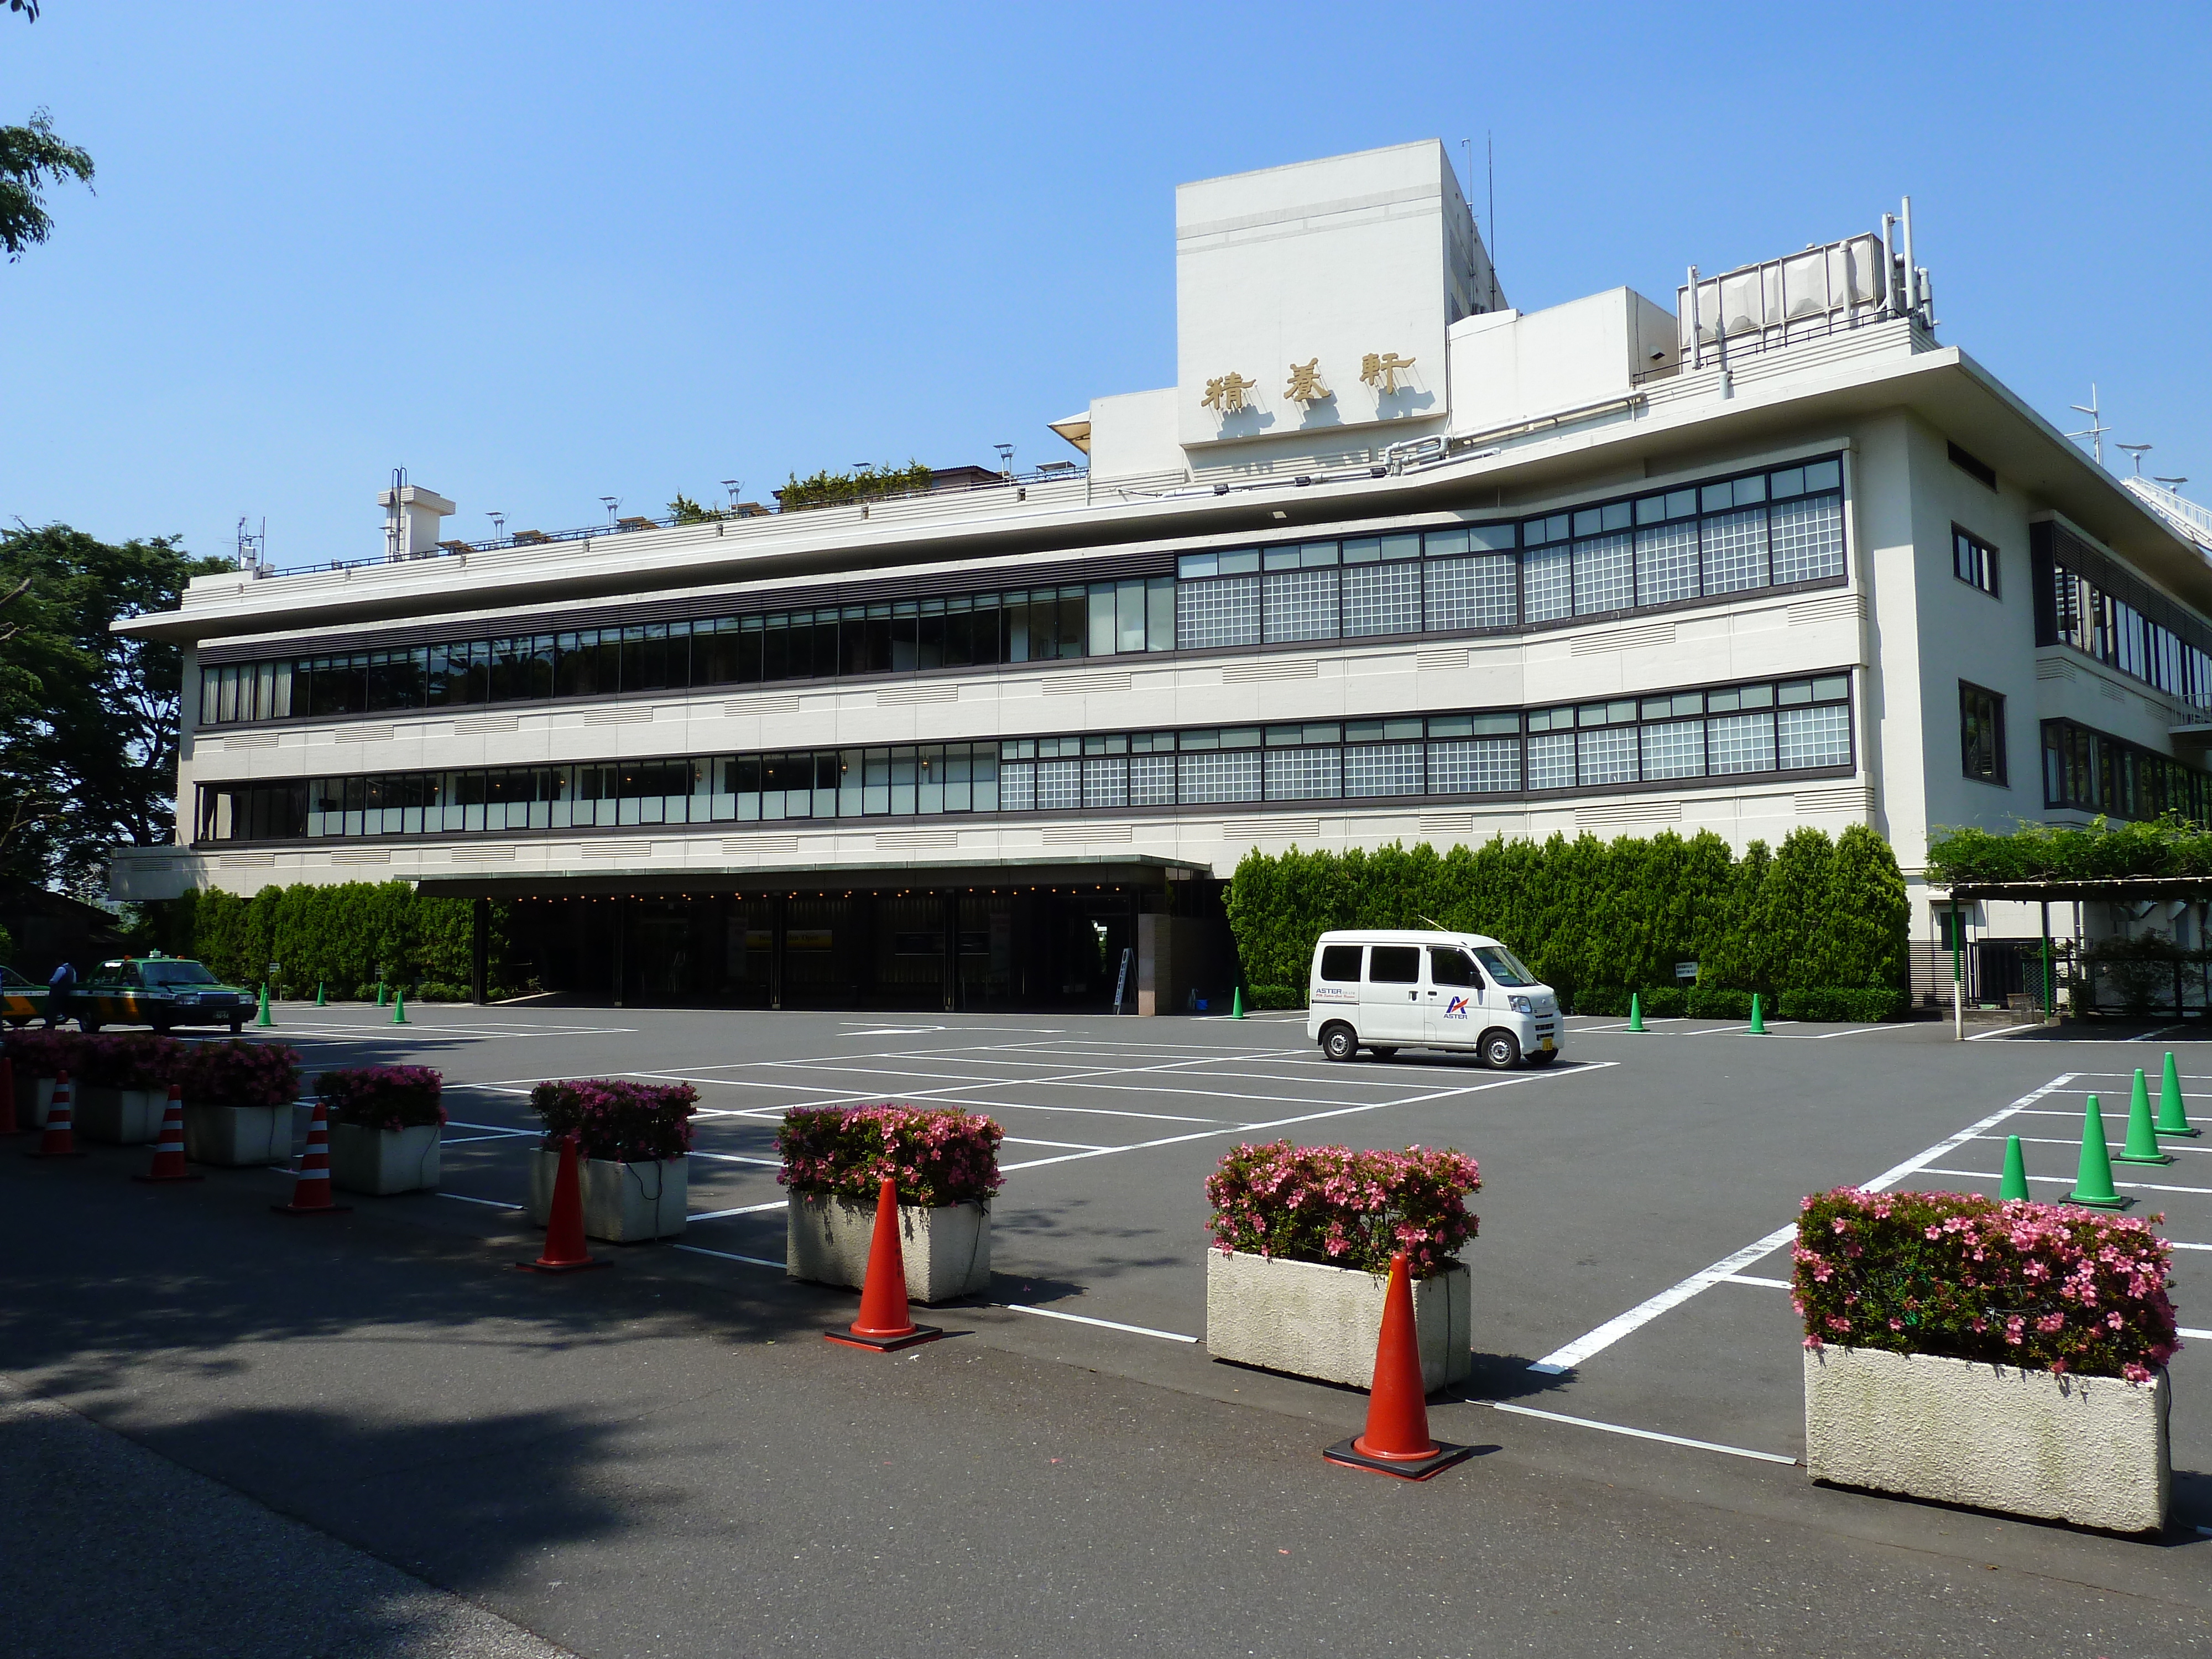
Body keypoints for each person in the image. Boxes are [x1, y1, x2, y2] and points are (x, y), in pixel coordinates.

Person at [45, 959, 75, 1029]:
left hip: (57, 992)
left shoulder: (61, 969)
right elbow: (74, 981)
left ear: (61, 961)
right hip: (66, 992)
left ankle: (50, 1026)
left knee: (52, 1009)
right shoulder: (72, 969)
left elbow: (54, 981)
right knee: (60, 1008)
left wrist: (50, 982)